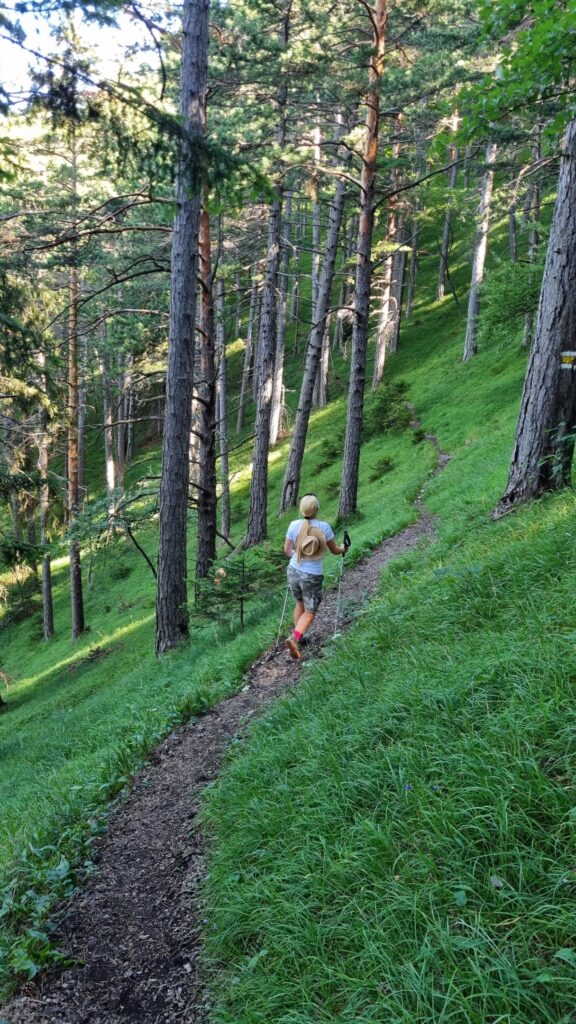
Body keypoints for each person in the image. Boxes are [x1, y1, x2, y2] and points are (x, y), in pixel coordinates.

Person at [283, 493, 348, 660]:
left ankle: (299, 636)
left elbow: (287, 551)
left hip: (293, 570)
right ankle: (295, 638)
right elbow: (334, 550)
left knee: (300, 603)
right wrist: (343, 549)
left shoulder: (293, 525)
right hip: (312, 575)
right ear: (316, 509)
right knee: (310, 611)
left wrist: (297, 556)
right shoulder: (324, 527)